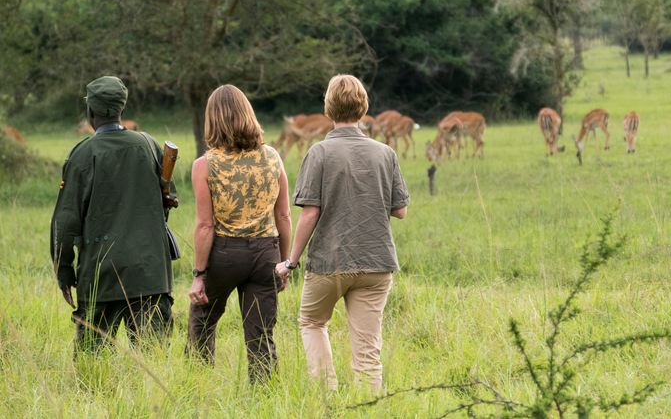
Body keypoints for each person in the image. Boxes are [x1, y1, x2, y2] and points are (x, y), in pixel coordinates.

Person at [275, 74, 409, 392]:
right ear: (364, 108)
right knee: (367, 350)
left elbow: (309, 213)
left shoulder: (319, 153)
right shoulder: (385, 153)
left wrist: (290, 262)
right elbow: (400, 210)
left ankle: (327, 398)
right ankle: (368, 408)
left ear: (328, 108)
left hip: (328, 262)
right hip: (376, 262)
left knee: (311, 322)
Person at [50, 76, 177, 351]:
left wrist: (63, 272)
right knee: (153, 361)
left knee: (92, 362)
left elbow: (66, 221)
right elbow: (169, 199)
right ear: (122, 108)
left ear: (90, 112)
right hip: (150, 273)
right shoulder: (149, 145)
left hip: (100, 274)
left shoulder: (82, 154)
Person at [187, 84, 292, 384]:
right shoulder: (273, 157)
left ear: (212, 120)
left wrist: (198, 274)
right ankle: (264, 399)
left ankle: (197, 386)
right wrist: (285, 263)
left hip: (224, 255)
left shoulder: (204, 165)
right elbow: (283, 215)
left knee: (202, 323)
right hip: (265, 254)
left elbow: (205, 225)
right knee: (260, 336)